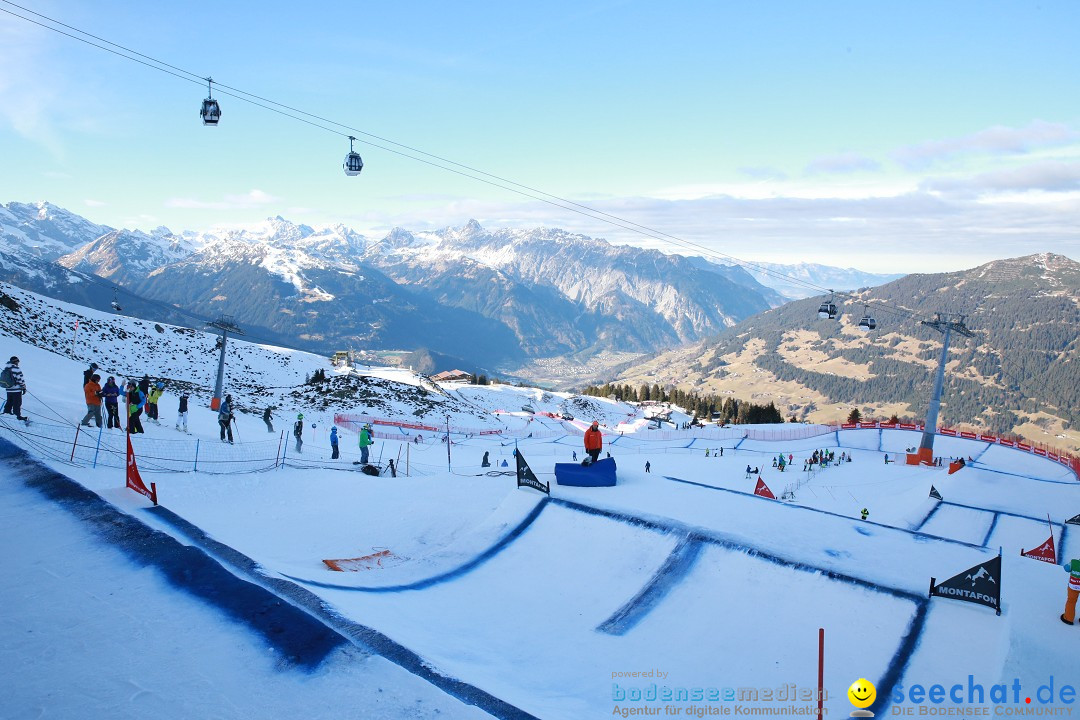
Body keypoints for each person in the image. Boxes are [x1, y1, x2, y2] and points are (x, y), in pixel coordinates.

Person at [1, 356, 27, 421]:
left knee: (9, 401)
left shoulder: (6, 368)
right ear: (16, 361)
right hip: (16, 390)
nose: (18, 363)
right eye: (18, 361)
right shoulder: (16, 368)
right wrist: (23, 387)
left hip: (8, 389)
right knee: (17, 403)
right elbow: (20, 379)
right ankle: (17, 416)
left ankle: (6, 413)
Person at [1062, 557, 1080, 625]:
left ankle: (1068, 618)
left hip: (1074, 586)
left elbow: (1066, 568)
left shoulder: (1074, 562)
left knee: (1071, 601)